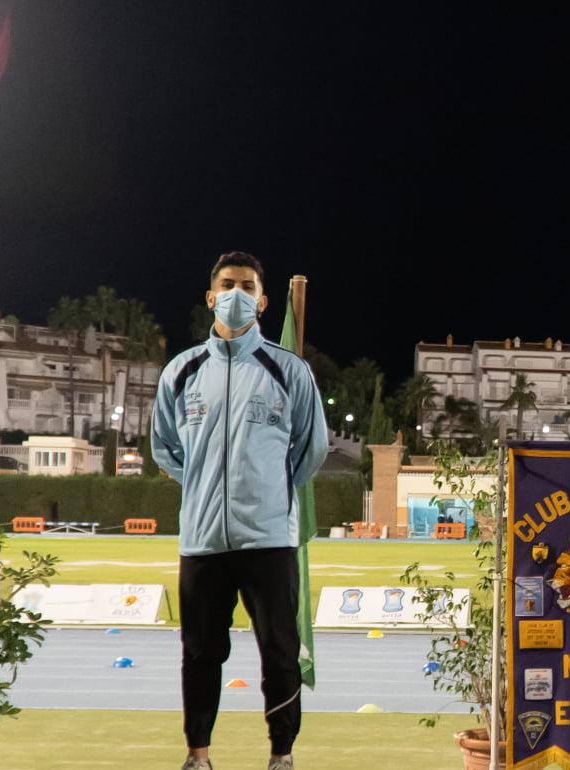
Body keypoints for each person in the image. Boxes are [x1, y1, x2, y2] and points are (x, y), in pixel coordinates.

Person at [152, 251, 329, 770]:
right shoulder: (181, 371)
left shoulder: (288, 369)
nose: (236, 294)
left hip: (270, 540)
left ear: (263, 300)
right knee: (201, 654)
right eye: (227, 284)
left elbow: (311, 450)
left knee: (279, 652)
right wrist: (205, 484)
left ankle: (281, 755)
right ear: (210, 296)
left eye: (247, 286)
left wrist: (270, 491)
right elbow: (165, 446)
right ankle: (198, 755)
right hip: (202, 541)